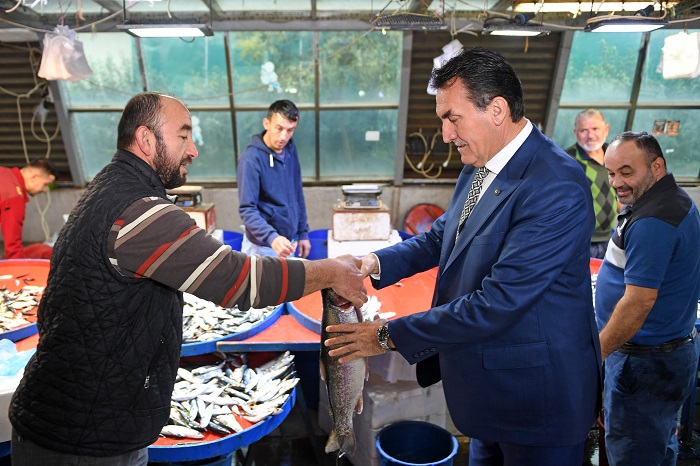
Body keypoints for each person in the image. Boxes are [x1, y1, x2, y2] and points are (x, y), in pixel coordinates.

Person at [9, 92, 366, 466]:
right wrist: (330, 271)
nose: (193, 150)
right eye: (183, 136)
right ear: (146, 140)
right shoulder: (136, 211)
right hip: (80, 438)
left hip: (86, 419)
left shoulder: (112, 189)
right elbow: (240, 279)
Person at [324, 47, 601, 466]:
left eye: (452, 119)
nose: (445, 135)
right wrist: (371, 264)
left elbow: (497, 303)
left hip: (536, 400)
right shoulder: (479, 164)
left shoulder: (554, 185)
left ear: (496, 110)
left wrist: (383, 336)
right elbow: (443, 237)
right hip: (487, 393)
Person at [595, 131, 700, 466]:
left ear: (657, 166)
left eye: (627, 172)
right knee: (656, 445)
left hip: (643, 366)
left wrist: (595, 354)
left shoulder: (653, 221)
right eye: (611, 173)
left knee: (634, 452)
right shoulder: (672, 201)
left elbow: (639, 302)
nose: (617, 183)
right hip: (664, 355)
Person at [238, 99, 311, 259]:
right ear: (267, 123)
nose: (284, 136)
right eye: (279, 128)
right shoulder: (250, 159)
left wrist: (303, 233)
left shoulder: (289, 149)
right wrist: (272, 237)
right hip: (262, 247)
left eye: (290, 130)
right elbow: (247, 209)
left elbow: (297, 193)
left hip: (288, 243)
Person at [565, 109, 618, 259]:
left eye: (595, 129)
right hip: (579, 240)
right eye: (584, 130)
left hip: (610, 237)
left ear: (606, 129)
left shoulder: (615, 155)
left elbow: (619, 196)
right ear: (575, 132)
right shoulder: (567, 160)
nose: (590, 135)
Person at [0, 158, 57, 259]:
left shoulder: (4, 172)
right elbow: (13, 248)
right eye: (45, 184)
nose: (45, 190)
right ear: (34, 177)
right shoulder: (15, 196)